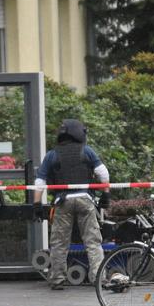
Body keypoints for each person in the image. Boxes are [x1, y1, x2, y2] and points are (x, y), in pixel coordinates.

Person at [33, 119, 110, 290]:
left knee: (60, 242)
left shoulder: (53, 154)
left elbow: (39, 182)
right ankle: (98, 278)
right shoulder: (87, 151)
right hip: (85, 200)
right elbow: (103, 175)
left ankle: (57, 279)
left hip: (63, 201)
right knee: (92, 241)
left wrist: (37, 205)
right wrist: (106, 196)